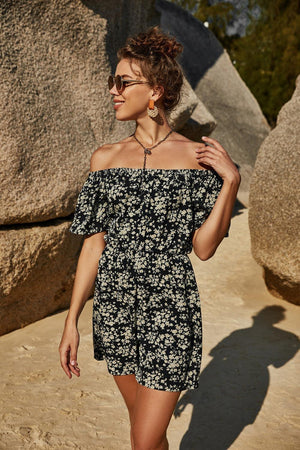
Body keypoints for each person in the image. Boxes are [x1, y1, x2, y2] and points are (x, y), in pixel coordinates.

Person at [59, 25, 241, 450]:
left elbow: (204, 248)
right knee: (150, 434)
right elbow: (93, 245)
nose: (113, 91)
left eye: (123, 82)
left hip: (170, 311)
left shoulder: (196, 159)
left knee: (142, 441)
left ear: (155, 91)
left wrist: (230, 181)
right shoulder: (104, 159)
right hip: (116, 311)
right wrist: (71, 322)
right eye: (113, 82)